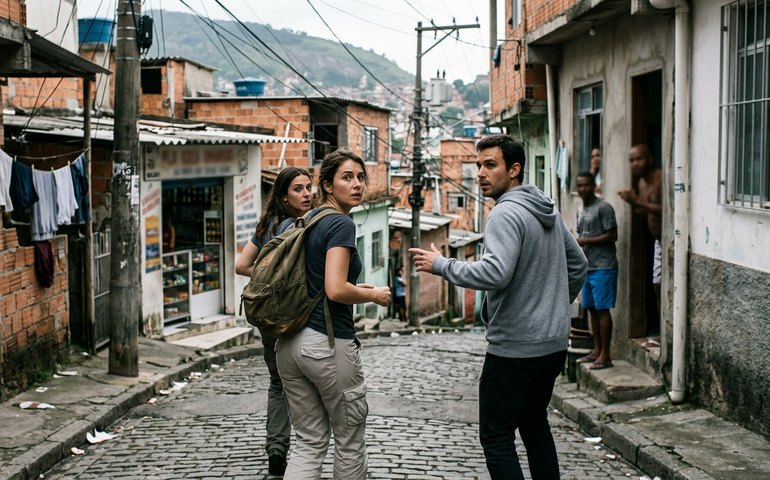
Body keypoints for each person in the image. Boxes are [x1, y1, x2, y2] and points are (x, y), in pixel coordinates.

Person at [410, 134, 587, 479]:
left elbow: (495, 272)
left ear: (514, 169)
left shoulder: (505, 213)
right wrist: (550, 310)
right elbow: (578, 264)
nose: (480, 173)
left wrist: (442, 265)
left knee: (496, 436)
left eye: (490, 165)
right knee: (534, 424)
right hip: (552, 344)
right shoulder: (546, 208)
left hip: (515, 348)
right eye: (478, 165)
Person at [275, 150, 391, 479]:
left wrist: (357, 286)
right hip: (326, 343)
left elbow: (318, 280)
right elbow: (335, 289)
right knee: (349, 440)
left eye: (361, 178)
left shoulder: (306, 219)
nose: (357, 185)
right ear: (327, 185)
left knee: (309, 441)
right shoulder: (340, 223)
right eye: (347, 177)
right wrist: (373, 295)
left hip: (290, 344)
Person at [235, 166, 314, 477]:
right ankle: (309, 450)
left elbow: (243, 265)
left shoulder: (266, 226)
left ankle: (276, 448)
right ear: (283, 196)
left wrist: (269, 280)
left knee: (278, 383)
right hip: (297, 316)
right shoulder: (303, 227)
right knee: (307, 383)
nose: (306, 194)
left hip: (268, 318)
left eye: (308, 187)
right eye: (298, 189)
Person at [575, 172, 618, 370]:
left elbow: (612, 235)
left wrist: (585, 241)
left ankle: (606, 355)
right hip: (588, 266)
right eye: (579, 185)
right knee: (591, 309)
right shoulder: (581, 209)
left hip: (604, 266)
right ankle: (597, 350)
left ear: (593, 186)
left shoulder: (604, 208)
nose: (582, 189)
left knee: (602, 309)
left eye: (586, 185)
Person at [618, 144, 662, 313]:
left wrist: (637, 202)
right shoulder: (642, 183)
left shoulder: (660, 178)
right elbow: (644, 210)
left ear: (650, 159)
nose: (635, 164)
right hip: (658, 241)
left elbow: (666, 211)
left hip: (671, 240)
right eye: (631, 160)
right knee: (657, 285)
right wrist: (632, 201)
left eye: (639, 159)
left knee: (665, 285)